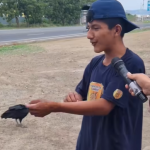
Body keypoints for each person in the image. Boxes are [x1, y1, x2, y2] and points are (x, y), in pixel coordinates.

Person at [25, 0, 146, 150]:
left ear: (116, 30)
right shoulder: (95, 63)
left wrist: (55, 106)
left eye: (95, 28)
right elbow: (80, 95)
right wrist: (74, 98)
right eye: (88, 28)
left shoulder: (131, 63)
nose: (89, 35)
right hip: (89, 143)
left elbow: (104, 106)